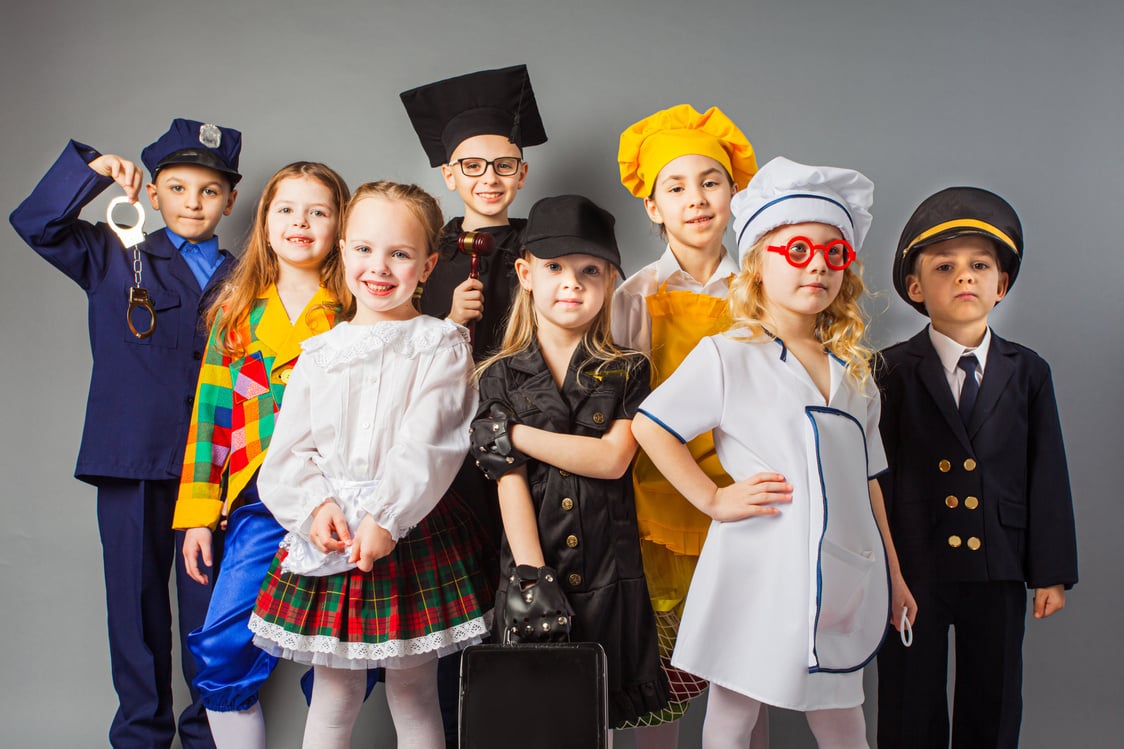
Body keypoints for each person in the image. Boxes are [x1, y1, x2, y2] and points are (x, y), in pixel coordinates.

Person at [633, 157, 910, 749]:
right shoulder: (730, 354)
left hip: (842, 571)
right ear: (758, 266)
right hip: (759, 566)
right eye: (797, 252)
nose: (817, 268)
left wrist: (894, 572)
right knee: (734, 714)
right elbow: (651, 427)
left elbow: (867, 482)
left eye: (832, 255)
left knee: (843, 719)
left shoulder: (855, 374)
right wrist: (711, 497)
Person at [10, 118, 242, 749]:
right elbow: (35, 224)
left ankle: (206, 737)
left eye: (209, 190)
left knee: (211, 620)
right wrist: (91, 172)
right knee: (134, 617)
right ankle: (141, 737)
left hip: (216, 474)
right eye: (177, 187)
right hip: (130, 460)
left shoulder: (249, 276)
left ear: (231, 200)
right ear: (154, 193)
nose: (192, 202)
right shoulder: (115, 252)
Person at [247, 181, 495, 748]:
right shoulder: (320, 353)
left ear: (429, 265)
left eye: (399, 254)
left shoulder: (440, 344)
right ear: (342, 251)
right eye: (363, 249)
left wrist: (386, 516)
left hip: (408, 528)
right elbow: (290, 451)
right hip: (333, 534)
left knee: (414, 693)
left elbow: (432, 441)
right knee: (335, 695)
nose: (378, 267)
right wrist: (316, 506)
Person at [874, 187, 1078, 748]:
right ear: (916, 288)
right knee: (909, 697)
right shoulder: (887, 370)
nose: (964, 277)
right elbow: (875, 476)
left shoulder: (1028, 370)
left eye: (980, 266)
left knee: (994, 698)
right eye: (945, 267)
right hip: (915, 563)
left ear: (1001, 285)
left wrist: (1051, 570)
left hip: (1000, 560)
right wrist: (881, 569)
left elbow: (1047, 472)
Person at [471, 194, 669, 730]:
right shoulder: (500, 373)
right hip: (536, 567)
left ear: (609, 281)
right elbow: (507, 480)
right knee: (537, 721)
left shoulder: (628, 370)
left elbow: (611, 460)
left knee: (598, 717)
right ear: (525, 273)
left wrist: (510, 433)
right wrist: (532, 576)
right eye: (554, 267)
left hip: (610, 571)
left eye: (590, 271)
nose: (572, 284)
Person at [173, 162, 350, 748]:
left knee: (346, 659)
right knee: (221, 652)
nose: (300, 222)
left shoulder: (358, 309)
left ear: (340, 225)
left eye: (318, 211)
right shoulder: (235, 310)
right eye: (287, 210)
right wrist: (199, 513)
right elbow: (211, 419)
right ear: (264, 223)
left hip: (345, 505)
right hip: (258, 503)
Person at [401, 63, 547, 744]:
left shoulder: (545, 251)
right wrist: (444, 315)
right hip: (447, 462)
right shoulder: (424, 258)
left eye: (504, 165)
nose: (489, 177)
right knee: (459, 607)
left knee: (526, 587)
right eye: (472, 166)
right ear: (449, 175)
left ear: (521, 175)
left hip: (530, 446)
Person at [613, 103, 761, 746]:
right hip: (658, 506)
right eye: (675, 187)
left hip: (753, 497)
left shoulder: (764, 289)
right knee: (662, 691)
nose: (695, 200)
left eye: (710, 182)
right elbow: (619, 411)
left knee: (752, 680)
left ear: (734, 191)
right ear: (652, 205)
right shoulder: (631, 295)